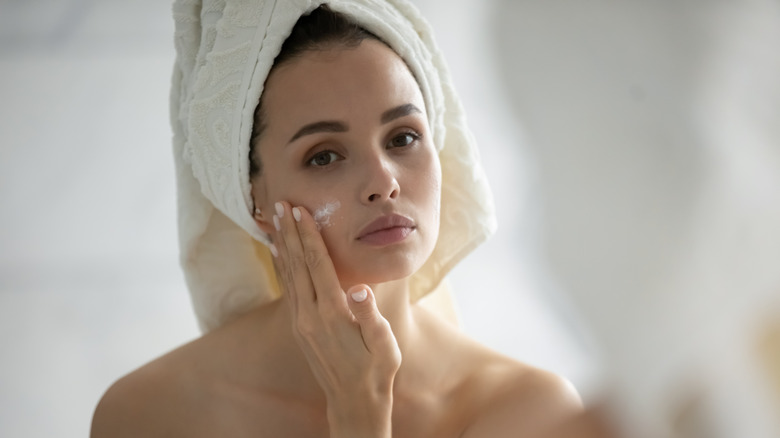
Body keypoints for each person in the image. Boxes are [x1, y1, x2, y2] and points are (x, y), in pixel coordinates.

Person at [91, 2, 581, 437]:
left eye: (402, 137)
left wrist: (360, 420)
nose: (383, 181)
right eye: (324, 156)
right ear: (250, 195)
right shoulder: (150, 415)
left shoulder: (529, 412)